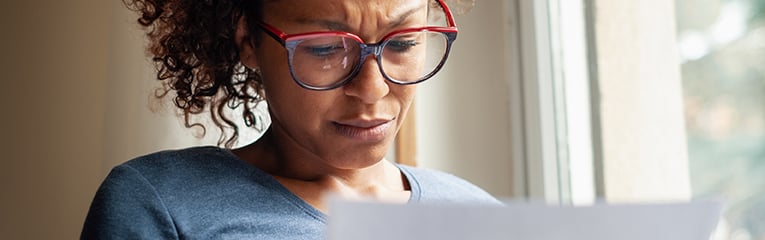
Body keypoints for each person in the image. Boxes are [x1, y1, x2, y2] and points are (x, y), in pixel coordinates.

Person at [82, 0, 499, 238]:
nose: (372, 88)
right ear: (248, 39)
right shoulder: (162, 205)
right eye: (323, 49)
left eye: (404, 43)